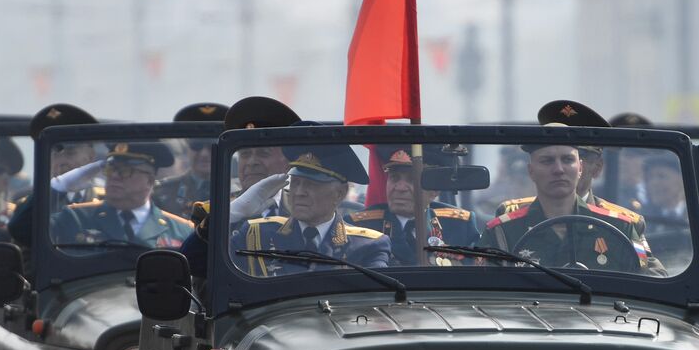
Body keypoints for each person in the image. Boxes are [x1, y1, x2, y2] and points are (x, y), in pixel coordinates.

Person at [477, 140, 653, 273]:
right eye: (547, 161)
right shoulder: (503, 232)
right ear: (531, 171)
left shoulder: (619, 228)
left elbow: (650, 280)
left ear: (580, 168)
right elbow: (485, 294)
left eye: (568, 160)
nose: (559, 169)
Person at [180, 96, 301, 277]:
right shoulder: (214, 212)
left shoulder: (308, 206)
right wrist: (229, 216)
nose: (251, 162)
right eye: (245, 154)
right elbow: (189, 263)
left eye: (263, 153)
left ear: (288, 162)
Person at [233, 144, 390, 276]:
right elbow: (211, 265)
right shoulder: (255, 234)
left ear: (340, 193)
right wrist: (232, 213)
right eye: (295, 183)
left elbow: (374, 299)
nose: (299, 192)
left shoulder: (367, 245)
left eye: (311, 184)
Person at [349, 145, 479, 266]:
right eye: (394, 177)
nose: (400, 187)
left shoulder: (459, 226)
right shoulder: (359, 226)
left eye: (412, 179)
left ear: (434, 190)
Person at [50, 142, 193, 249]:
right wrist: (58, 187)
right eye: (111, 169)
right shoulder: (74, 218)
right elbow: (29, 229)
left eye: (125, 171)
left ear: (149, 180)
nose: (115, 176)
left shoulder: (181, 231)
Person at [6, 103, 100, 245]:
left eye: (70, 152)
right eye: (53, 152)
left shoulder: (109, 199)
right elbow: (19, 232)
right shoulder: (30, 202)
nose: (61, 161)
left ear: (91, 156)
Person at [153, 102, 229, 217]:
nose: (204, 154)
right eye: (196, 144)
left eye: (212, 145)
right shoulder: (162, 192)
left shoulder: (241, 193)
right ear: (187, 146)